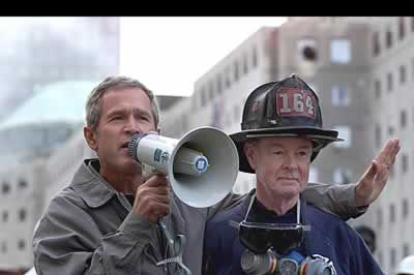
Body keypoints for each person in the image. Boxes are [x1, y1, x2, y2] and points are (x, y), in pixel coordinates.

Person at [32, 76, 398, 275]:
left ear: (157, 129)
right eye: (117, 118)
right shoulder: (65, 218)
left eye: (142, 118)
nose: (133, 128)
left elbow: (267, 197)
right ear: (91, 137)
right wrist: (137, 225)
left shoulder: (190, 196)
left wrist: (353, 197)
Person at [203, 74, 399, 275]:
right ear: (252, 155)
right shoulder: (218, 235)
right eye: (278, 152)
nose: (292, 165)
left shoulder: (338, 236)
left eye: (302, 153)